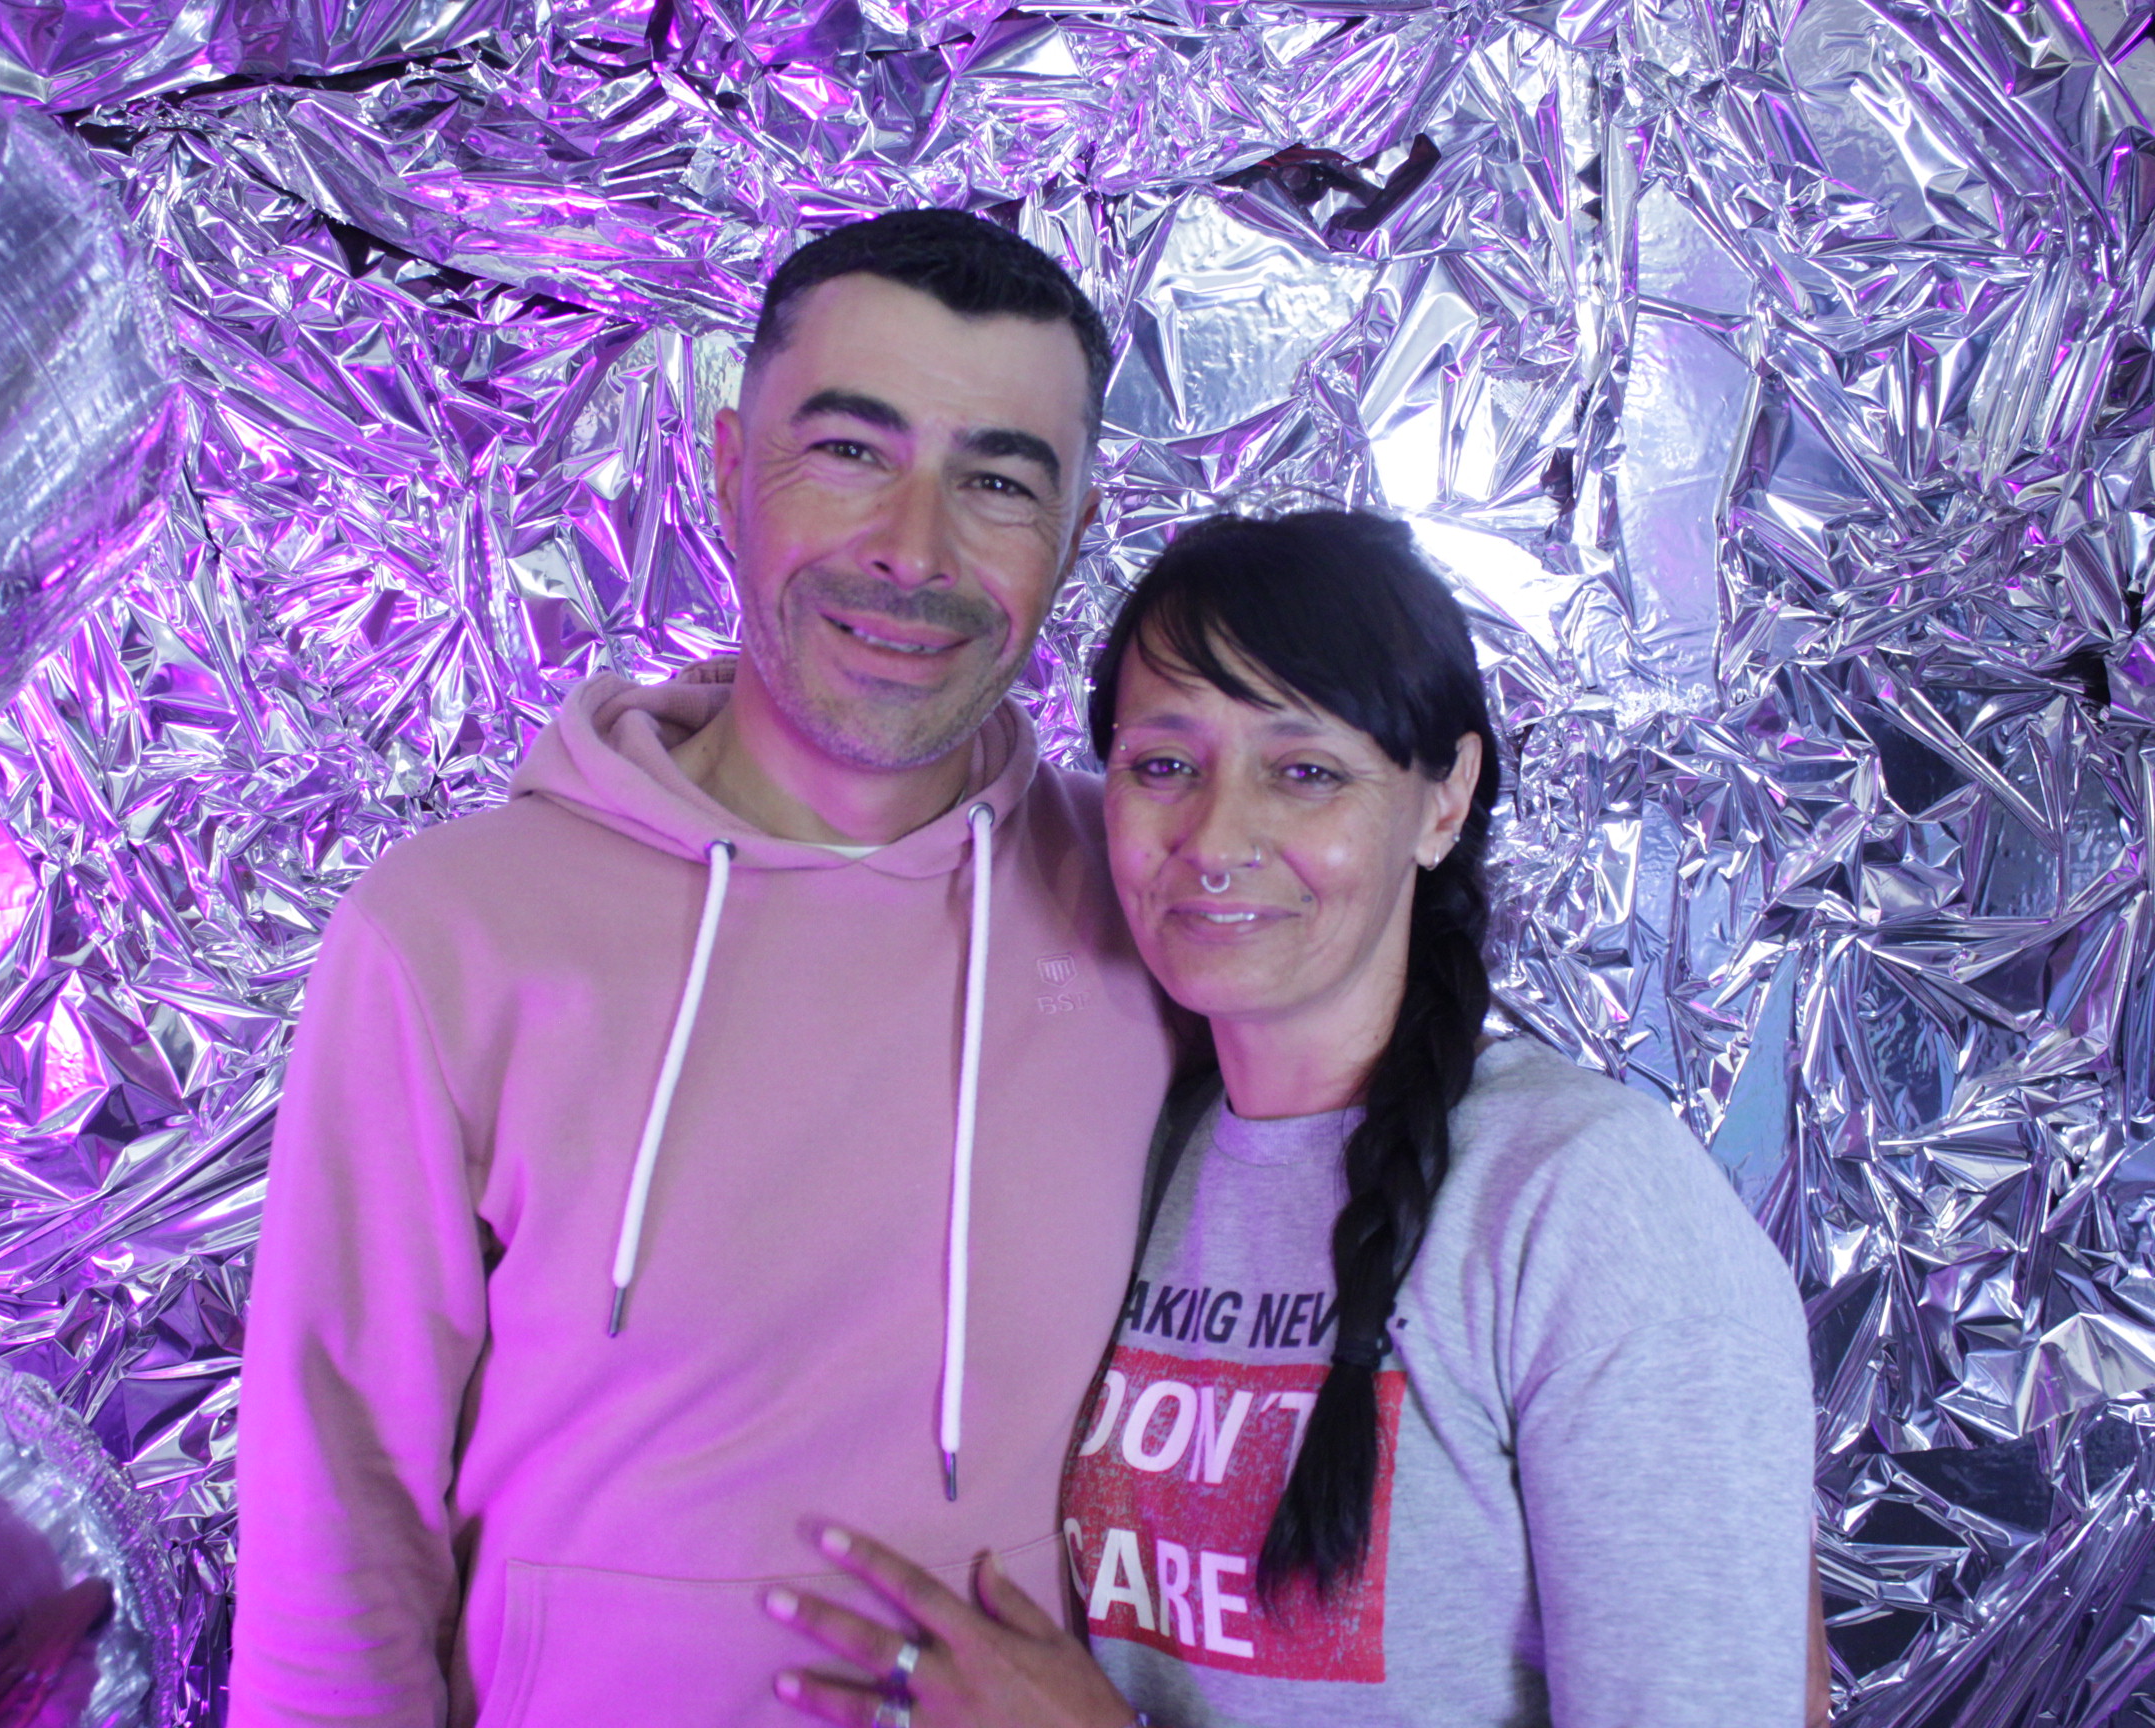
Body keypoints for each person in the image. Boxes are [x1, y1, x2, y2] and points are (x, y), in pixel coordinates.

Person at [229, 209, 1177, 1728]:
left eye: (998, 480)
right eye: (850, 451)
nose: (915, 550)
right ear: (729, 468)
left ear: (1074, 532)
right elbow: (335, 1520)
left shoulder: (1155, 907)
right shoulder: (452, 928)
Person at [765, 513, 1817, 1727]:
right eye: (1164, 765)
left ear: (1443, 799)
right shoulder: (1130, 1150)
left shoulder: (1587, 1206)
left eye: (1305, 771)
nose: (1215, 839)